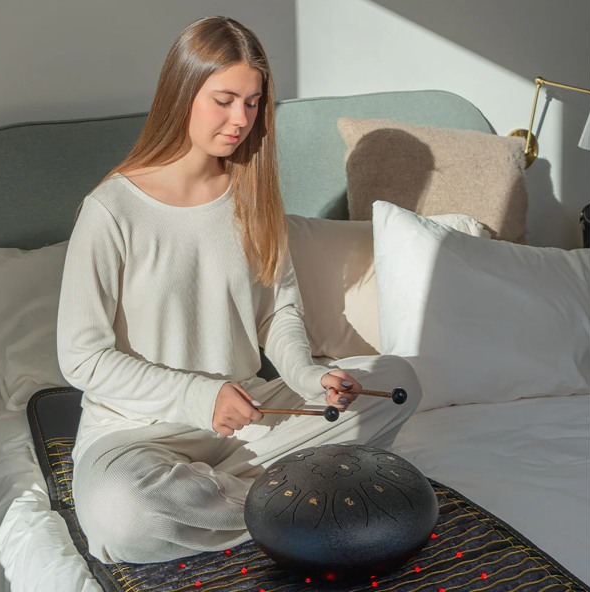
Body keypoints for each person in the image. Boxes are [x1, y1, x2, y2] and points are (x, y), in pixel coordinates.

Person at [56, 15, 422, 565]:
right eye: (224, 100)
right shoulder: (111, 211)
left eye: (252, 103)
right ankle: (300, 500)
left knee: (398, 382)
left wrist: (309, 377)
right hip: (140, 435)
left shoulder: (252, 195)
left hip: (249, 420)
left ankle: (244, 503)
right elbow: (81, 357)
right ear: (182, 94)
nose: (241, 120)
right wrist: (199, 397)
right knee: (121, 515)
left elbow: (279, 313)